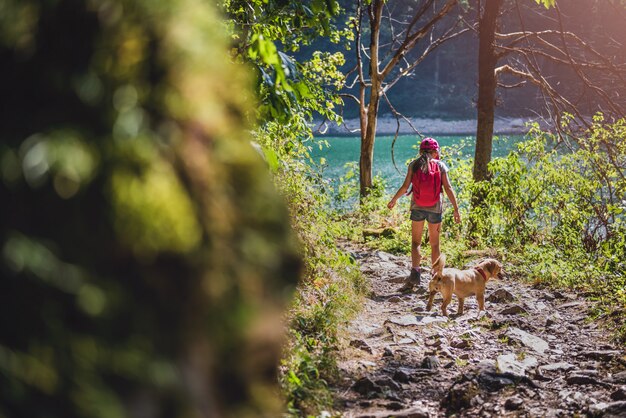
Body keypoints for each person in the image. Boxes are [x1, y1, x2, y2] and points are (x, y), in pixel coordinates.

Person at [387, 137, 461, 292]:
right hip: (435, 208)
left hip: (417, 207)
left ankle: (415, 272)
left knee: (416, 242)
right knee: (435, 244)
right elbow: (448, 188)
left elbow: (405, 187)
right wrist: (456, 209)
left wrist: (394, 199)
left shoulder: (413, 165)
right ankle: (436, 277)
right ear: (435, 152)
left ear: (420, 151)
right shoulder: (440, 166)